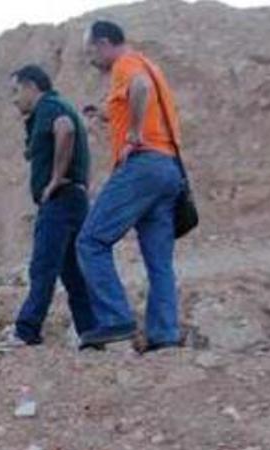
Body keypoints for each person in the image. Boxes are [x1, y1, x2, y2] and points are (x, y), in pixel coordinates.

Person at [77, 21, 186, 352]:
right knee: (159, 262)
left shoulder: (127, 65)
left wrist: (134, 134)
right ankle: (164, 335)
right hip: (168, 168)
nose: (91, 59)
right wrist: (108, 115)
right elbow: (142, 99)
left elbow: (139, 89)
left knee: (90, 240)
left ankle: (115, 318)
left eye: (91, 51)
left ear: (105, 43)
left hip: (143, 165)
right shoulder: (149, 65)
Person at [2, 65, 98, 349]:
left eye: (16, 91)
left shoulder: (48, 106)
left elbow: (65, 130)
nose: (14, 99)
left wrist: (55, 179)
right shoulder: (59, 106)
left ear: (32, 86)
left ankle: (26, 330)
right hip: (75, 199)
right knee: (73, 274)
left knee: (43, 267)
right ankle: (91, 335)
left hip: (60, 200)